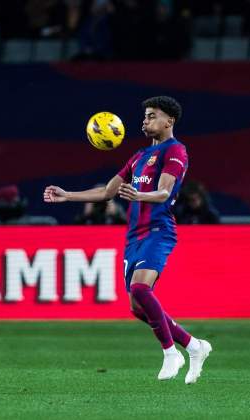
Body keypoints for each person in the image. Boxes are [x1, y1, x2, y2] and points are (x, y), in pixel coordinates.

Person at [44, 96, 211, 383]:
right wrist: (68, 195)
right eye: (145, 116)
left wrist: (139, 195)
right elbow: (108, 192)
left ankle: (171, 352)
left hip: (159, 230)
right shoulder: (138, 157)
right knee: (136, 307)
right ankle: (195, 346)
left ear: (169, 120)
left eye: (152, 116)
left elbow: (164, 193)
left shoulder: (176, 151)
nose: (145, 120)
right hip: (134, 236)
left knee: (141, 289)